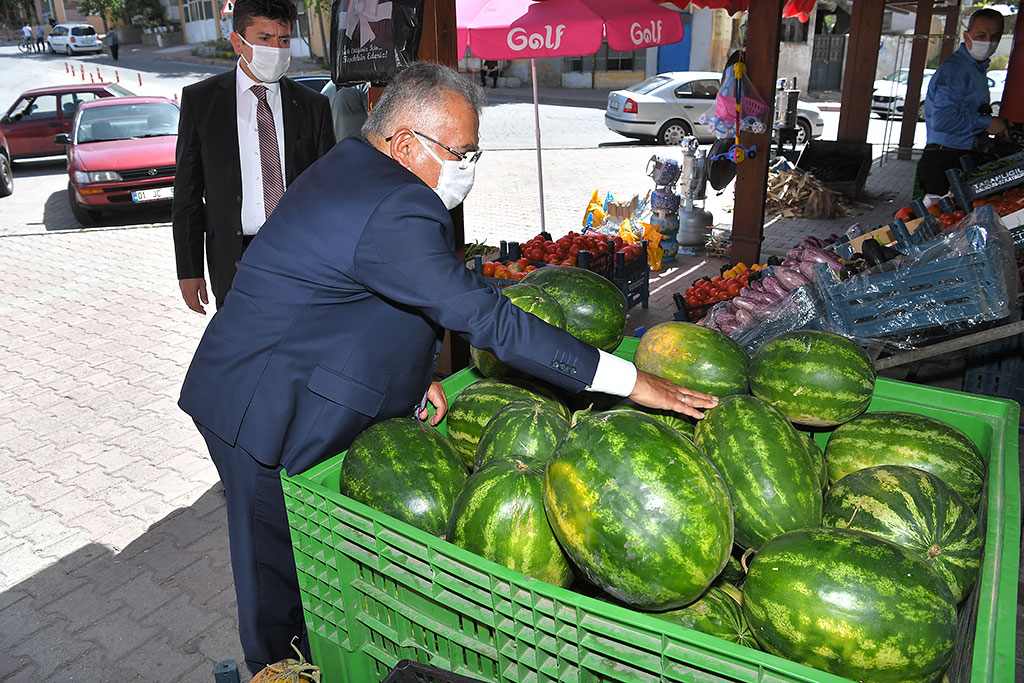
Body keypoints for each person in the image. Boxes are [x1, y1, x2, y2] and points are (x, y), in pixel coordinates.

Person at [178, 61, 718, 675]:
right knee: (274, 571)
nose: (468, 167)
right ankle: (274, 668)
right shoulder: (397, 205)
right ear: (406, 143)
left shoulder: (354, 165)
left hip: (294, 372)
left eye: (475, 153)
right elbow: (487, 319)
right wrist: (628, 379)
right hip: (258, 401)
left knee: (302, 559)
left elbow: (369, 293)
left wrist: (415, 376)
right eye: (461, 152)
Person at [172, 0, 336, 314]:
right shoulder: (201, 102)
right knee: (241, 352)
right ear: (238, 42)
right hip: (235, 258)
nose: (276, 48)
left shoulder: (313, 106)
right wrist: (189, 269)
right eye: (264, 38)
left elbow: (328, 192)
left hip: (303, 257)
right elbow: (187, 196)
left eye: (283, 40)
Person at [918, 8, 1009, 196]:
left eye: (995, 36)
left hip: (962, 156)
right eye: (981, 35)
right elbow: (943, 120)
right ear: (967, 36)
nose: (988, 42)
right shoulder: (955, 70)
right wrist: (986, 123)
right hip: (944, 161)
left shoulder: (978, 70)